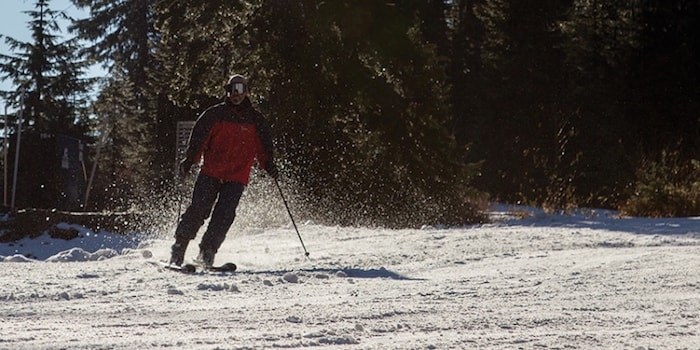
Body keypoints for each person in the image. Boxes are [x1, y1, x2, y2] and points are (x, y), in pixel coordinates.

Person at [170, 74, 278, 267]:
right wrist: (190, 160)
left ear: (246, 92)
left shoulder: (256, 120)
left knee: (225, 215)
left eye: (239, 89)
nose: (235, 94)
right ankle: (179, 248)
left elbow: (264, 146)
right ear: (227, 91)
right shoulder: (214, 114)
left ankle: (208, 251)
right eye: (232, 90)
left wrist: (268, 164)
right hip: (211, 172)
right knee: (199, 209)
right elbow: (199, 139)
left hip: (237, 176)